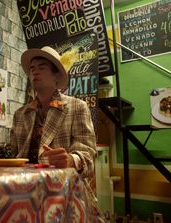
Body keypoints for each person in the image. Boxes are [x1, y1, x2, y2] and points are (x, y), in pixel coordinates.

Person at [10, 46, 102, 221]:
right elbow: (12, 155)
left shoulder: (77, 107)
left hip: (63, 194)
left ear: (57, 76)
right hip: (22, 194)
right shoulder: (21, 114)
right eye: (32, 68)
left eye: (42, 67)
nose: (35, 72)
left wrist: (71, 159)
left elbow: (88, 155)